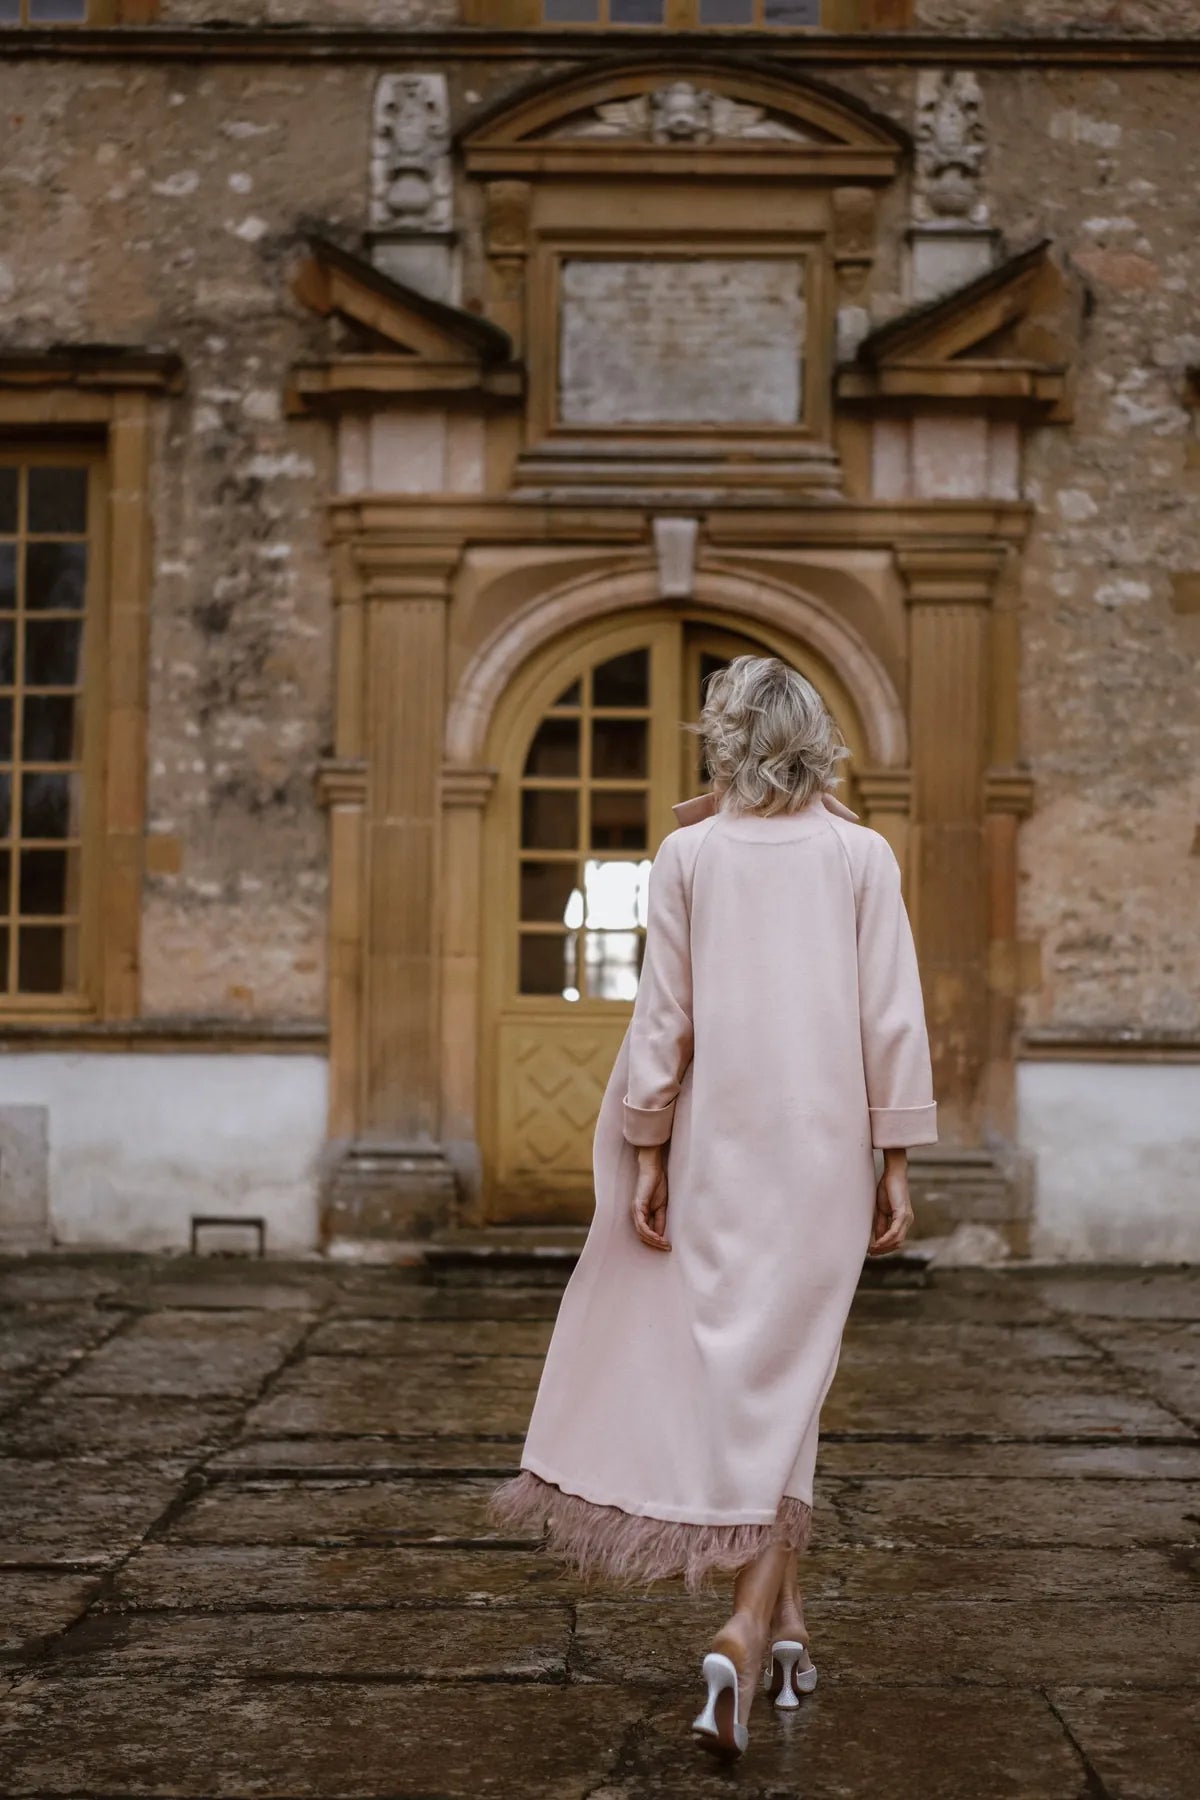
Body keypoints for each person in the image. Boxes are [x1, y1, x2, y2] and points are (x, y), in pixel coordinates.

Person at [491, 654, 937, 1759]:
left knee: (763, 1375)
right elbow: (894, 1015)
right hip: (825, 1157)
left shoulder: (688, 855)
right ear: (817, 736)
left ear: (726, 737)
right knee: (795, 1374)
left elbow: (663, 1018)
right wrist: (896, 1157)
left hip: (717, 1153)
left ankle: (780, 1617)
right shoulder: (861, 856)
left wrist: (645, 1145)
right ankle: (748, 1628)